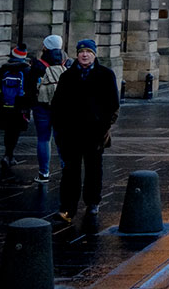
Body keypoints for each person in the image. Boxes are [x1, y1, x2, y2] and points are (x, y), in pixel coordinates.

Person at [51, 40, 118, 221]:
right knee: (70, 172)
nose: (85, 55)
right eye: (81, 52)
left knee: (94, 170)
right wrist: (59, 128)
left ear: (94, 54)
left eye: (89, 51)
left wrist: (104, 127)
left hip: (95, 133)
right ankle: (67, 209)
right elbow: (57, 105)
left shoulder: (105, 75)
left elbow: (113, 105)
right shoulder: (68, 76)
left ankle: (92, 203)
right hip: (70, 134)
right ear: (77, 54)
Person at [0, 45, 33, 170]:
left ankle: (7, 154)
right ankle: (9, 155)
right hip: (20, 108)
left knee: (8, 131)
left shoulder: (2, 70)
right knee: (15, 131)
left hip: (4, 105)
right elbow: (31, 91)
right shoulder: (27, 71)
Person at [29, 35, 69, 182]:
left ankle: (43, 173)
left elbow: (30, 87)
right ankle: (66, 169)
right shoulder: (68, 62)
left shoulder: (39, 64)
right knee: (62, 139)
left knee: (43, 139)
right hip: (62, 108)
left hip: (42, 106)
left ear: (45, 46)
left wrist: (31, 105)